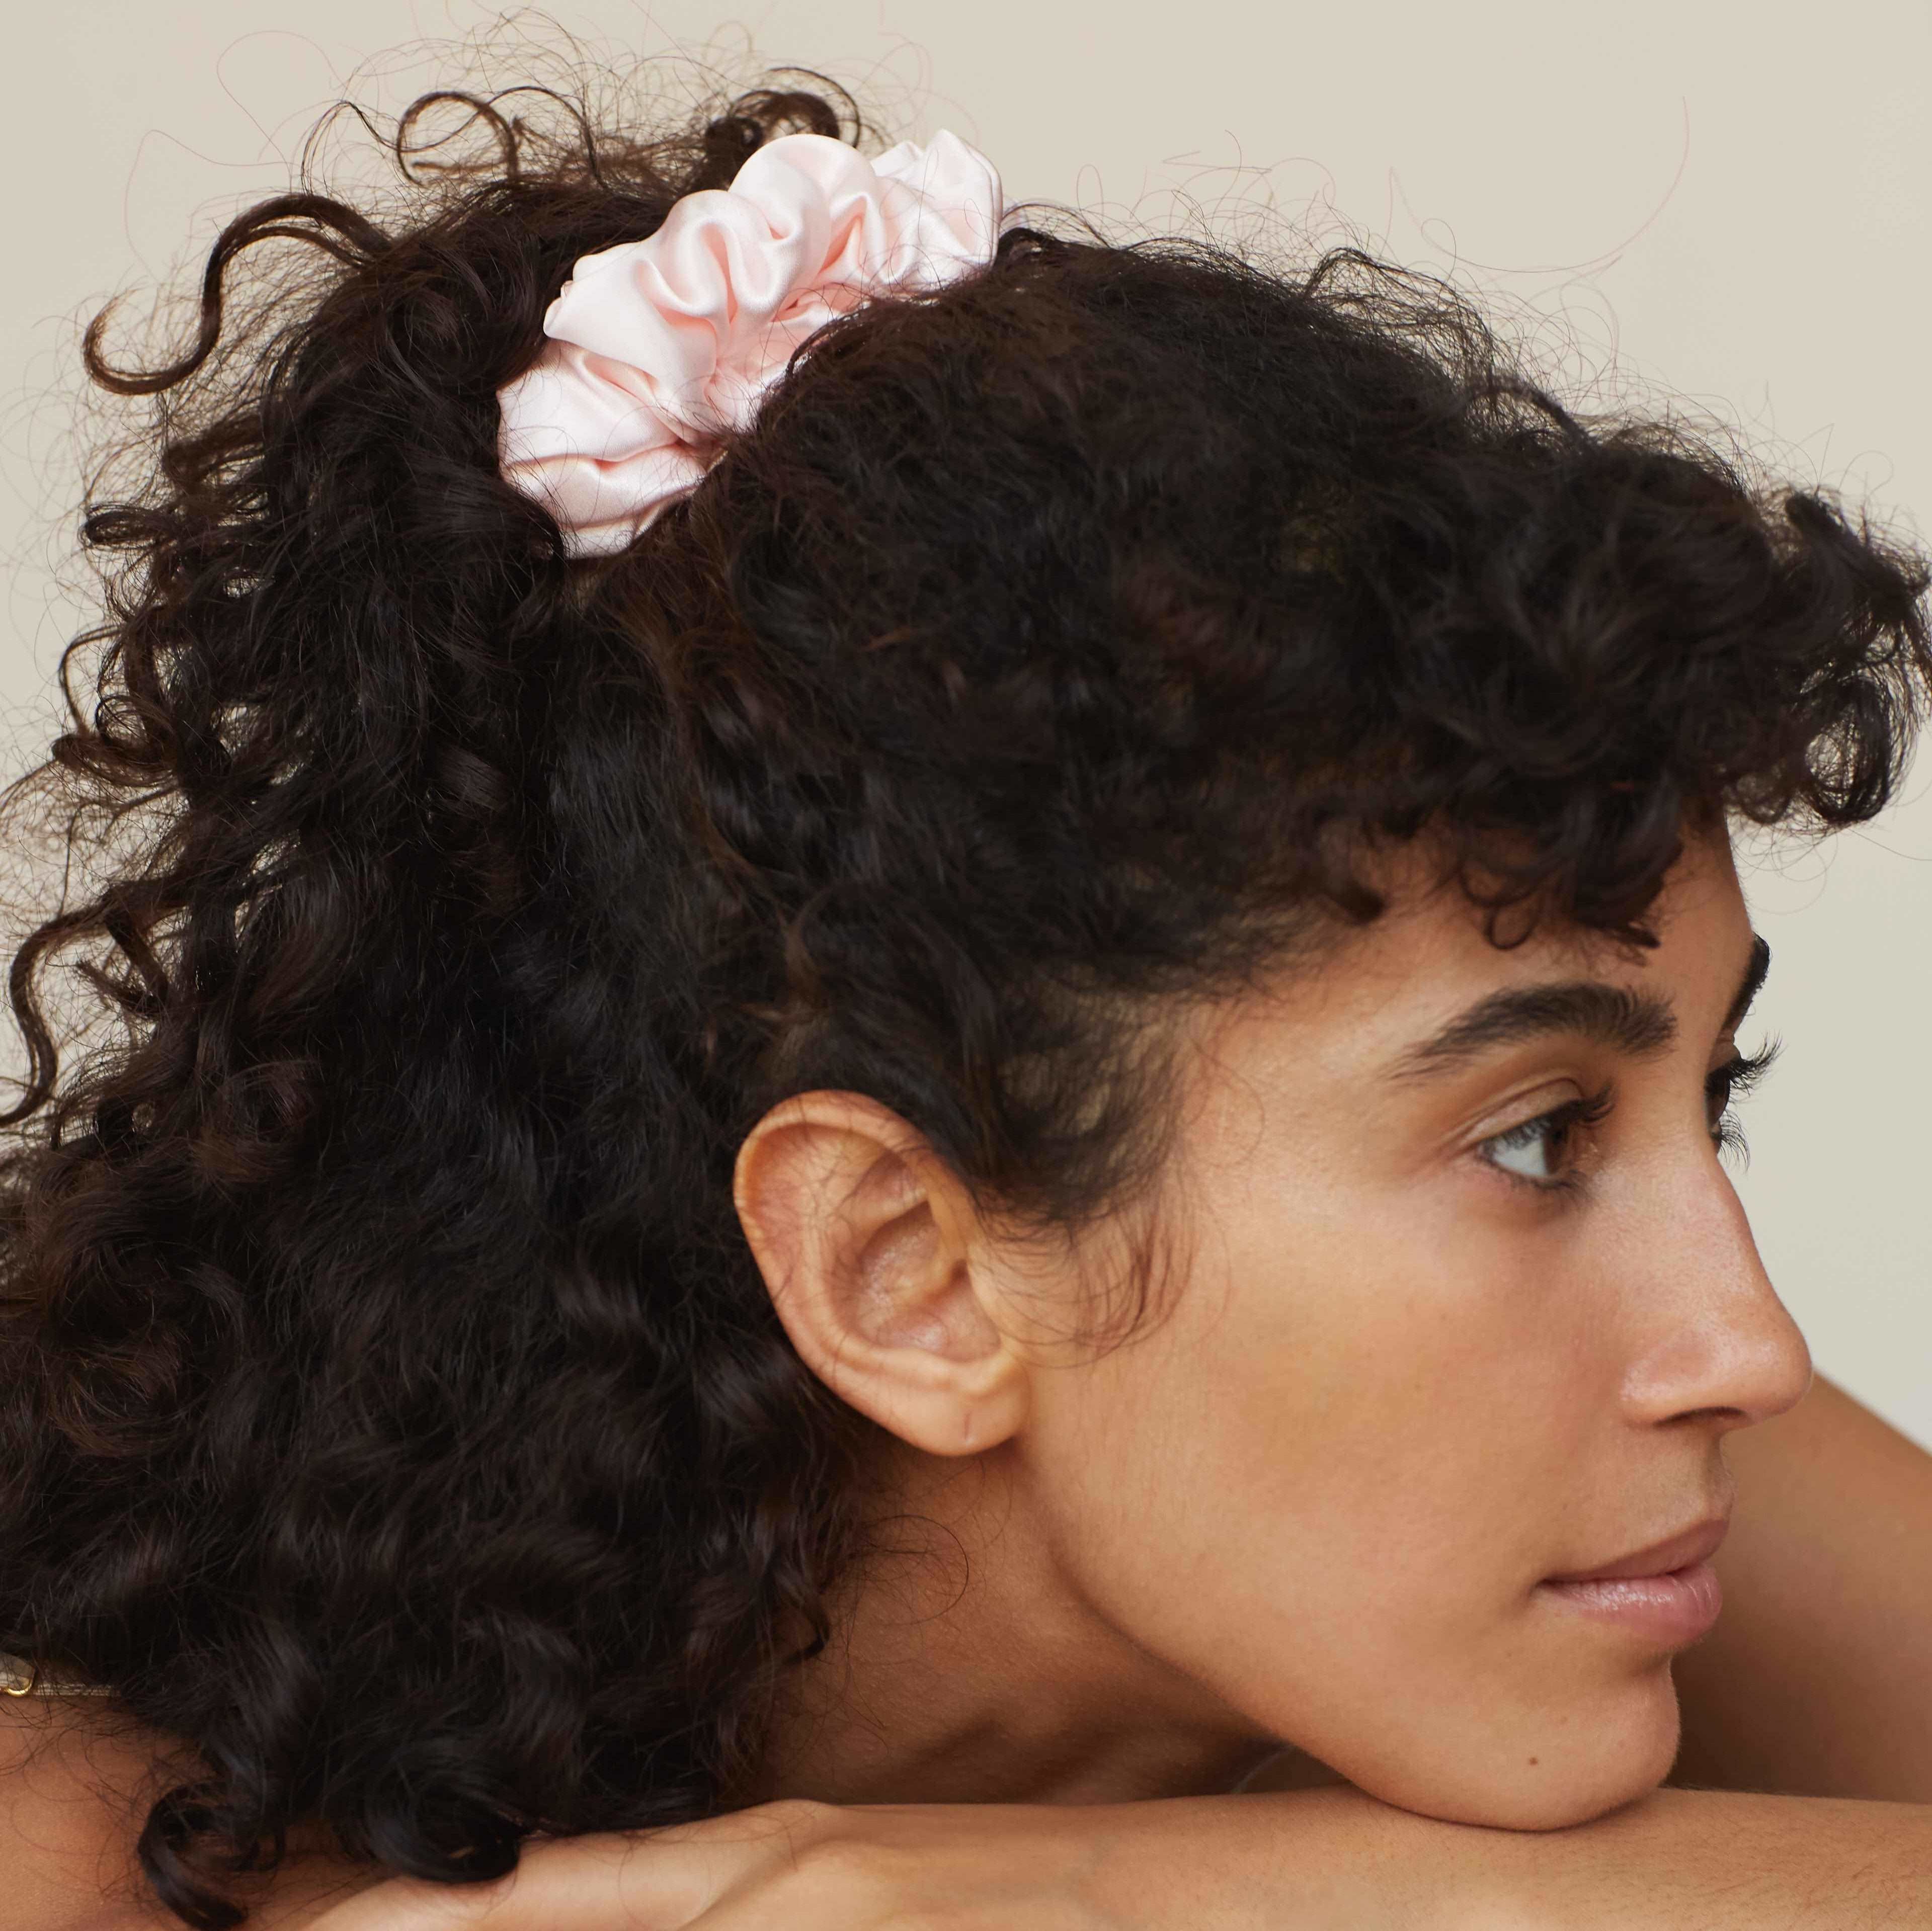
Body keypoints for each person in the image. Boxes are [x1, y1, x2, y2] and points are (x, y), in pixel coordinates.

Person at [3, 70, 1930, 1931]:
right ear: (904, 1268)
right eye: (1536, 1136)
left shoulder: (1618, 1496)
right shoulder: (102, 1879)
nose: (1745, 1346)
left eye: (1716, 1091)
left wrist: (1233, 1897)